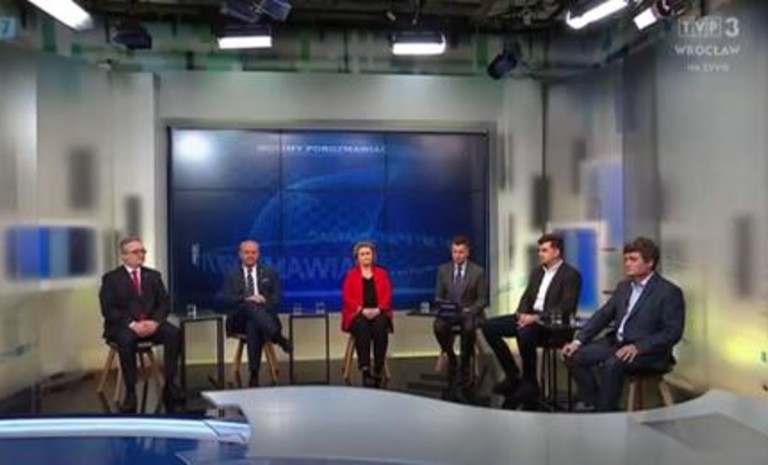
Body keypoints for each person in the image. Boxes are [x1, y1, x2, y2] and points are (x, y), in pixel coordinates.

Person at [562, 237, 685, 412]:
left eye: (633, 259)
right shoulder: (624, 287)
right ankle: (595, 402)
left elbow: (672, 332)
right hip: (617, 344)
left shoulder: (668, 292)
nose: (627, 264)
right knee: (572, 354)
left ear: (649, 263)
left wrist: (639, 347)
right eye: (626, 259)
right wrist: (578, 341)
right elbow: (603, 315)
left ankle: (605, 414)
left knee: (613, 363)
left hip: (648, 352)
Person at [482, 233, 581, 406]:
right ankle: (512, 374)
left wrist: (536, 318)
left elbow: (566, 307)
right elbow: (526, 297)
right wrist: (521, 314)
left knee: (525, 332)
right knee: (489, 326)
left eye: (544, 250)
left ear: (556, 252)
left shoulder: (571, 275)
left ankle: (530, 383)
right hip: (529, 318)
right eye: (539, 250)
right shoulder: (537, 272)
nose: (540, 254)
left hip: (552, 325)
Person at [99, 236, 183, 413]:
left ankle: (170, 385)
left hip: (151, 324)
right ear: (124, 256)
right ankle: (130, 393)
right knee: (126, 340)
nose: (141, 255)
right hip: (123, 326)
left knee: (174, 333)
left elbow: (164, 303)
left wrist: (155, 322)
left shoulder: (153, 276)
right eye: (136, 252)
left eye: (142, 251)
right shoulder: (111, 279)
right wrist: (132, 324)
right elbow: (108, 309)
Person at [221, 240, 292, 387]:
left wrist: (264, 301)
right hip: (238, 320)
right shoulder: (231, 275)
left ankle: (254, 374)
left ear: (258, 254)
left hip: (263, 319)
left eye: (253, 252)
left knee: (253, 323)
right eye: (247, 252)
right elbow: (225, 299)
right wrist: (247, 299)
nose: (250, 255)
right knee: (249, 305)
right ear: (240, 254)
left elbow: (277, 299)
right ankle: (279, 338)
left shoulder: (270, 273)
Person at [433, 235, 487, 397]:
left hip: (470, 314)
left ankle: (465, 363)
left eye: (461, 252)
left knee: (468, 327)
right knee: (438, 326)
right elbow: (438, 296)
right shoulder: (443, 270)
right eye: (454, 252)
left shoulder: (478, 272)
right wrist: (445, 306)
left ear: (467, 253)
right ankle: (451, 357)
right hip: (450, 314)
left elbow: (482, 299)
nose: (457, 255)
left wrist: (471, 309)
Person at [341, 241, 393, 388]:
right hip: (357, 313)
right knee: (361, 325)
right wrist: (361, 310)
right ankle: (365, 368)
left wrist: (378, 309)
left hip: (379, 311)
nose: (365, 256)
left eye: (368, 253)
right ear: (357, 257)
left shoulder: (382, 274)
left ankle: (378, 367)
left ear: (373, 256)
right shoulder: (351, 275)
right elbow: (347, 298)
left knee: (380, 325)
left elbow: (388, 295)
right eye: (362, 254)